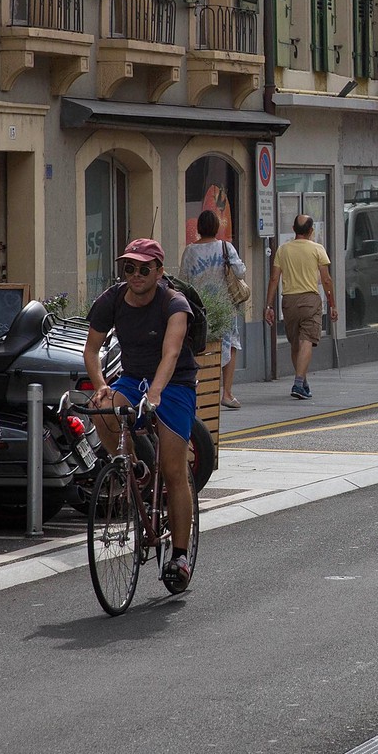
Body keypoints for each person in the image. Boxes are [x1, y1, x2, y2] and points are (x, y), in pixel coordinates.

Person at [83, 238, 197, 593]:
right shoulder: (113, 299)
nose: (135, 275)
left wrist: (157, 393)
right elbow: (91, 349)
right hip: (133, 377)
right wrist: (102, 384)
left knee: (176, 469)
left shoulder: (173, 303)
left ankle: (179, 556)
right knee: (101, 408)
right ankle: (132, 465)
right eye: (129, 268)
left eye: (144, 268)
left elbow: (172, 353)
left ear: (159, 272)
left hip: (174, 382)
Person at [179, 210, 247, 408]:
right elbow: (240, 272)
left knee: (201, 347)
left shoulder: (190, 251)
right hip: (225, 306)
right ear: (217, 227)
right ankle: (226, 393)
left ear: (199, 227)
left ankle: (203, 393)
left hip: (199, 308)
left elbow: (183, 280)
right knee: (230, 345)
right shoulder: (226, 247)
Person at [265, 214, 335, 400]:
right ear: (311, 231)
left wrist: (268, 305)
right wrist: (333, 304)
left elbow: (274, 279)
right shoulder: (317, 249)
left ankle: (302, 382)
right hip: (310, 300)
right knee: (306, 341)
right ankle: (298, 383)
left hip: (288, 301)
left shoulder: (283, 250)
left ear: (294, 229)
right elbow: (326, 280)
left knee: (295, 343)